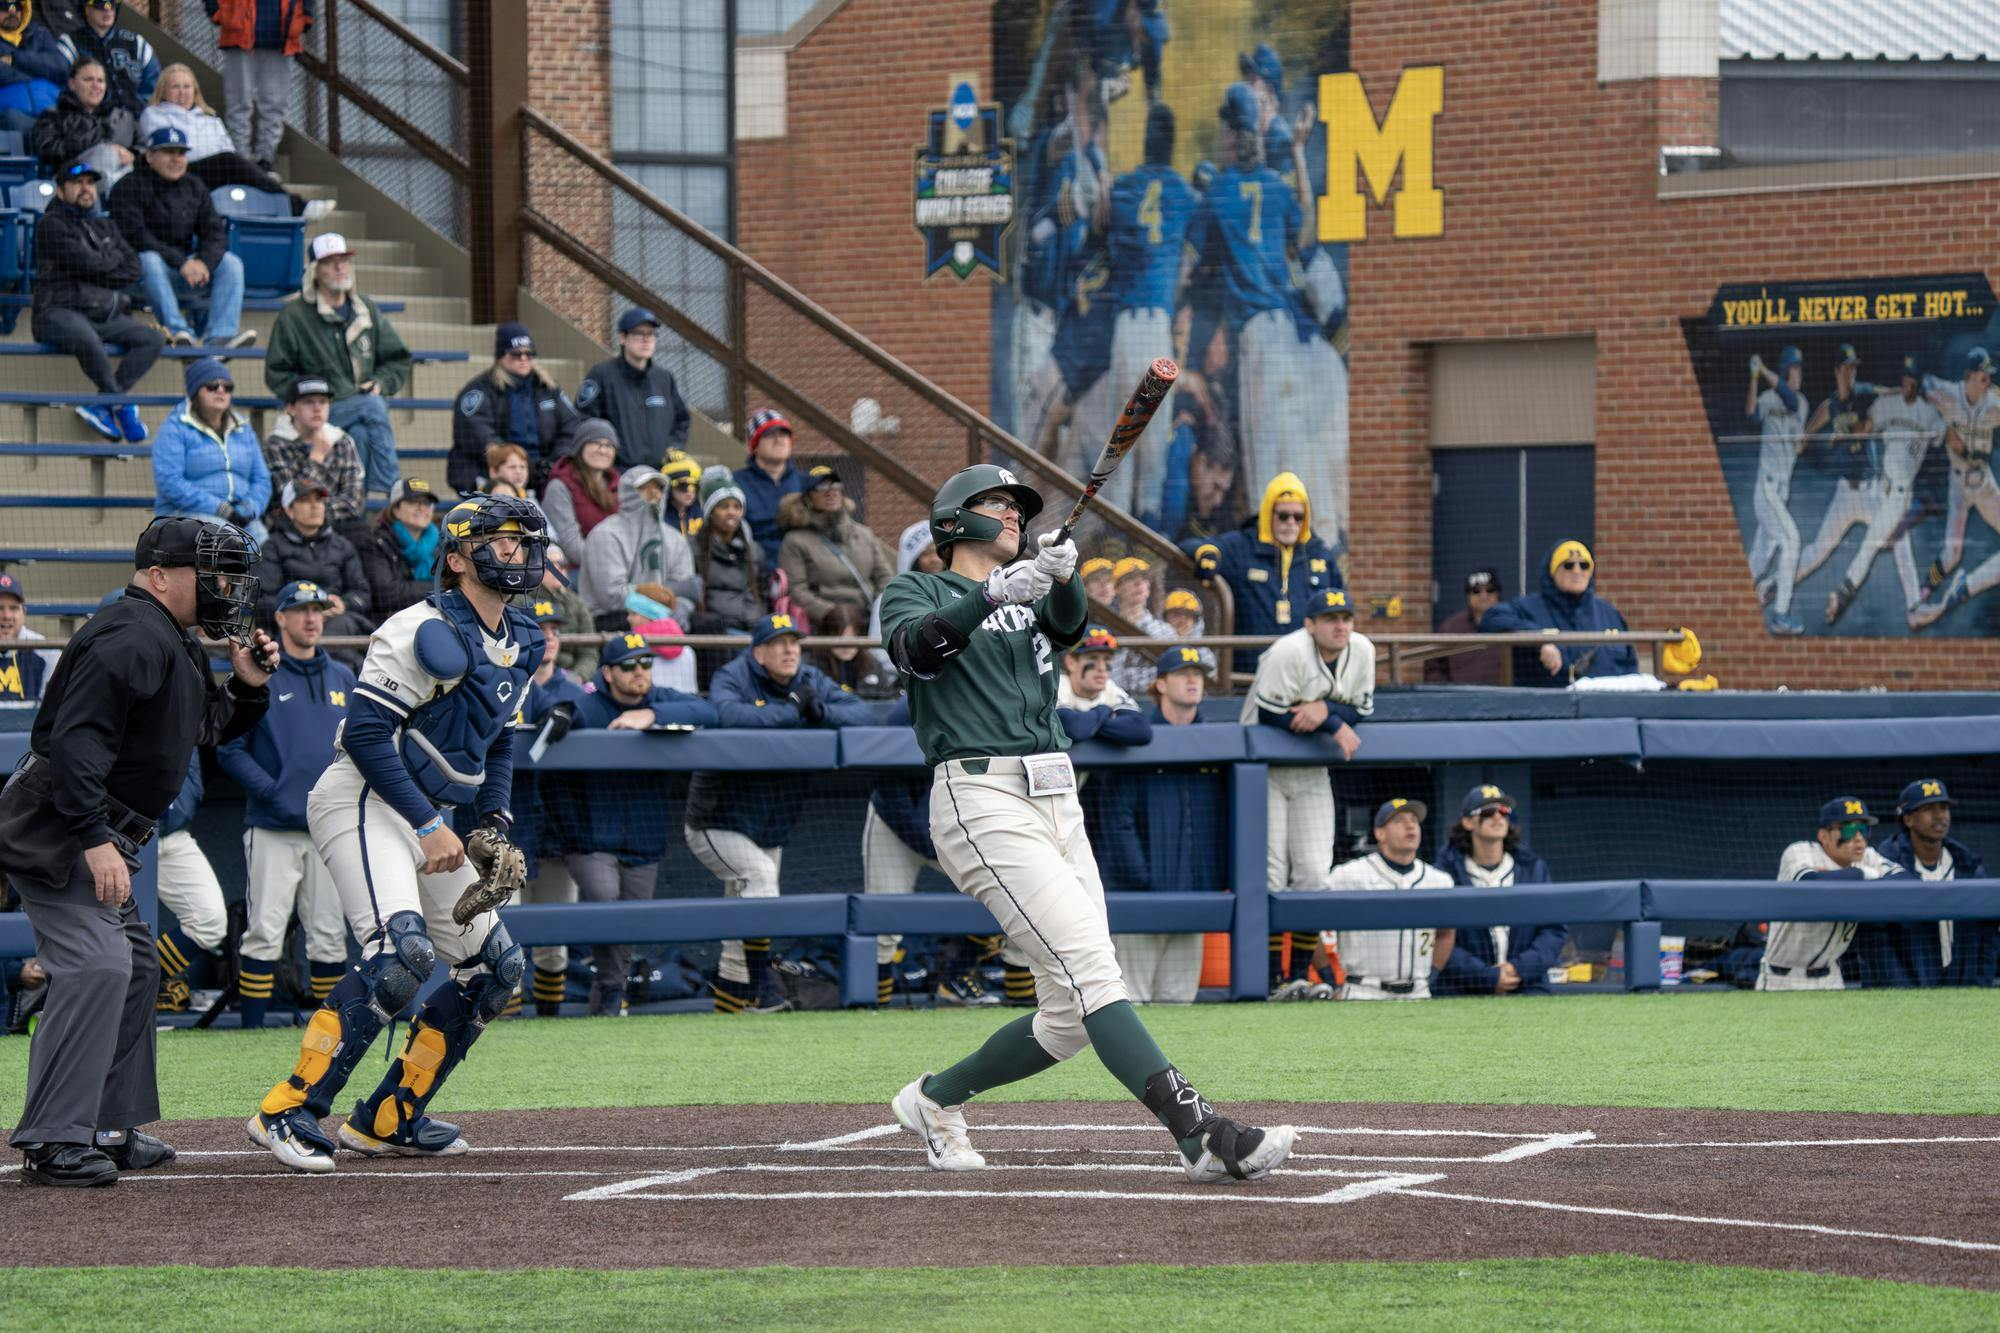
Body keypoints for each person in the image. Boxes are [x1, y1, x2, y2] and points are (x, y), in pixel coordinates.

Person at [877, 462, 1296, 1182]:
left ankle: (934, 1098)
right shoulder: (916, 589)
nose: (1013, 514)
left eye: (1017, 506)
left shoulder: (1031, 588)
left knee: (1070, 1014)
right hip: (981, 796)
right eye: (997, 504)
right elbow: (916, 652)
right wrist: (992, 593)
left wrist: (1063, 575)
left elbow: (1069, 628)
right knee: (1094, 970)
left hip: (1056, 795)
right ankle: (1198, 1131)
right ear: (955, 520)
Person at [247, 494, 548, 1174]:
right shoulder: (418, 628)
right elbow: (365, 735)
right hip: (363, 795)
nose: (517, 551)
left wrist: (494, 823)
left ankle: (388, 1117)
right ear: (457, 557)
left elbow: (498, 741)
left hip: (428, 812)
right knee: (399, 955)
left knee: (496, 967)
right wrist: (428, 824)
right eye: (500, 540)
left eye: (523, 540)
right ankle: (287, 1109)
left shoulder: (524, 638)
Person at [1, 516, 273, 1186]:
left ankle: (106, 1126)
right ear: (159, 575)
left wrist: (245, 685)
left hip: (97, 828)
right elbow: (76, 741)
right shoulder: (130, 633)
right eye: (210, 575)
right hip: (60, 827)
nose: (222, 589)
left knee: (136, 967)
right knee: (97, 965)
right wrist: (93, 837)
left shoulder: (170, 636)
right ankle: (53, 1137)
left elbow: (206, 727)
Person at [685, 612, 870, 1012]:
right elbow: (728, 715)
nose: (789, 650)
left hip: (770, 820)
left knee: (747, 909)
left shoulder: (809, 677)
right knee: (761, 880)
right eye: (778, 643)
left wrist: (820, 712)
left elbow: (862, 712)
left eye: (794, 642)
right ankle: (762, 988)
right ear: (758, 652)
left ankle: (731, 1000)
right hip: (717, 819)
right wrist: (792, 710)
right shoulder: (733, 675)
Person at [1188, 83, 1345, 531]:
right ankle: (1314, 538)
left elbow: (1190, 263)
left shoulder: (1220, 190)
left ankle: (1267, 549)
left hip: (1258, 336)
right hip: (1289, 338)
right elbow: (1305, 224)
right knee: (1296, 449)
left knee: (1263, 454)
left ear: (1231, 133)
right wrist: (1297, 153)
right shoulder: (1276, 186)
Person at [216, 579, 354, 1027]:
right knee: (263, 934)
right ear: (280, 617)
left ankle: (330, 1035)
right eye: (301, 610)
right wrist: (274, 793)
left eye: (317, 610)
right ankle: (251, 1032)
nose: (311, 619)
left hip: (329, 831)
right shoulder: (261, 675)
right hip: (272, 827)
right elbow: (229, 749)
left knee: (330, 936)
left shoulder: (344, 677)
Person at [565, 632, 718, 1016]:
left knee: (631, 922)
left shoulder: (660, 699)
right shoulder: (587, 706)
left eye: (646, 663)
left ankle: (610, 998)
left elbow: (709, 712)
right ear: (608, 673)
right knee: (605, 902)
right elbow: (560, 713)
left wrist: (650, 716)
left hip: (644, 836)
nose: (639, 671)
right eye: (629, 665)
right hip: (590, 835)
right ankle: (611, 989)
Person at [1240, 587, 1372, 997]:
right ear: (1310, 625)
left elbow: (1363, 709)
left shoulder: (1362, 649)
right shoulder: (1288, 650)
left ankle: (1297, 974)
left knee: (1314, 874)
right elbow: (1269, 713)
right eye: (1330, 619)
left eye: (1345, 618)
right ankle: (1267, 979)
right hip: (1264, 771)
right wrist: (1332, 721)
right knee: (1271, 874)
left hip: (1312, 770)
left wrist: (1324, 711)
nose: (1340, 626)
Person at [1095, 645, 1224, 1003]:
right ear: (1161, 685)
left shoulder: (1215, 743)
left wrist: (1210, 881)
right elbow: (1117, 821)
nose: (1193, 681)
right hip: (1139, 897)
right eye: (1183, 674)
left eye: (1198, 674)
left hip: (1195, 893)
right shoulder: (1137, 739)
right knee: (1130, 998)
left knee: (1179, 1000)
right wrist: (1140, 878)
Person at [265, 232, 414, 496]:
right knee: (373, 406)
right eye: (330, 262)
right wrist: (307, 397)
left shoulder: (365, 308)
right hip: (315, 411)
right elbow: (276, 372)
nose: (340, 267)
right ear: (315, 271)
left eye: (344, 260)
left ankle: (355, 507)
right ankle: (391, 490)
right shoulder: (294, 316)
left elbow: (398, 358)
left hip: (358, 408)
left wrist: (381, 382)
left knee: (360, 434)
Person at [33, 158, 159, 446]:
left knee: (151, 339)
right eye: (77, 183)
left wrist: (101, 264)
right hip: (56, 311)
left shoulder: (105, 225)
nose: (85, 188)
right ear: (60, 189)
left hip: (97, 311)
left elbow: (133, 268)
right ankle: (119, 403)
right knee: (87, 338)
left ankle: (104, 403)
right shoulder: (50, 225)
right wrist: (110, 261)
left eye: (90, 183)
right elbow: (86, 263)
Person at [511, 597, 588, 1015]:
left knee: (554, 943)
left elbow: (589, 716)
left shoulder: (571, 690)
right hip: (509, 824)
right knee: (502, 937)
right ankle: (502, 1019)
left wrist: (566, 712)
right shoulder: (506, 682)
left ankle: (549, 1020)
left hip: (558, 826)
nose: (550, 638)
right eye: (541, 631)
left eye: (555, 631)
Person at [110, 124, 253, 350]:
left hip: (181, 275)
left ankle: (220, 339)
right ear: (150, 156)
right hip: (135, 278)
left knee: (230, 263)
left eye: (181, 153)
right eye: (168, 152)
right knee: (149, 259)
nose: (176, 159)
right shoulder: (128, 186)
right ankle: (179, 334)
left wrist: (204, 262)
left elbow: (214, 233)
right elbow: (136, 236)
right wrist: (182, 262)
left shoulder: (194, 185)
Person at [1187, 470, 1343, 675]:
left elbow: (1341, 607)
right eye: (1283, 516)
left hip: (1307, 673)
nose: (1291, 523)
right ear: (1269, 514)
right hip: (1251, 674)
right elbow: (1189, 545)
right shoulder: (1242, 546)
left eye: (1298, 517)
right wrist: (1207, 554)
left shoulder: (1319, 553)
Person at [1855, 779, 1994, 989]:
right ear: (1908, 819)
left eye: (1944, 808)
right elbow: (1873, 939)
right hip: (1900, 991)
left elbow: (1989, 930)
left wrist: (1979, 984)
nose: (1940, 816)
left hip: (1962, 987)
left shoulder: (1967, 864)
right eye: (1929, 809)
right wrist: (1902, 989)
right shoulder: (1885, 864)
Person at [1431, 785, 1567, 997]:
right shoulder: (1444, 874)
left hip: (1527, 986)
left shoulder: (1532, 868)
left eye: (1503, 811)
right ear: (1467, 822)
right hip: (1462, 989)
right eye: (1487, 811)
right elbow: (1436, 937)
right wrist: (1487, 977)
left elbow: (1554, 930)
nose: (1497, 816)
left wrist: (1518, 969)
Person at [142, 62, 329, 213]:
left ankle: (283, 206)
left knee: (237, 167)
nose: (183, 92)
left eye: (187, 86)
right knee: (230, 162)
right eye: (175, 87)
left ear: (195, 90)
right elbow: (163, 149)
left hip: (216, 172)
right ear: (163, 91)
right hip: (179, 171)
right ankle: (297, 205)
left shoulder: (210, 119)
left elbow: (228, 149)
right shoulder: (154, 114)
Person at [1761, 796, 1904, 992]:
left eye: (1864, 829)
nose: (1859, 838)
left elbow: (1908, 882)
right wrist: (1862, 874)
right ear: (1824, 836)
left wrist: (1847, 876)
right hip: (1782, 977)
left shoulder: (1867, 856)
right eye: (1849, 830)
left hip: (1831, 977)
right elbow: (1810, 883)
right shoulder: (1800, 851)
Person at [1322, 799, 1456, 1000]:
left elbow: (1446, 933)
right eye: (1399, 820)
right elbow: (1313, 926)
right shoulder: (1348, 876)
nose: (1410, 826)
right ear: (1380, 833)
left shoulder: (1439, 880)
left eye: (1414, 820)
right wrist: (1330, 981)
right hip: (1363, 991)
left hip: (1419, 993)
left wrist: (1431, 976)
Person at [1910, 348, 2000, 628]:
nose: (1987, 382)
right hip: (1958, 486)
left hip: (1984, 486)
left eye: (1989, 377)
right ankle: (1922, 594)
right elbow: (1923, 382)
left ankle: (1965, 587)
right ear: (1969, 376)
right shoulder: (1950, 393)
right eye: (1983, 377)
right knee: (1951, 556)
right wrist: (1943, 428)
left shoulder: (1994, 403)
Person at [446, 323, 584, 495]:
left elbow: (571, 426)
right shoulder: (480, 390)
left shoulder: (548, 387)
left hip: (544, 471)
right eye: (516, 354)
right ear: (501, 356)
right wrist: (517, 463)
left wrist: (556, 460)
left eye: (529, 353)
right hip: (495, 473)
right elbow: (477, 434)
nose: (524, 358)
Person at [1478, 539, 1637, 686]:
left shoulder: (1608, 612)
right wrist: (1540, 639)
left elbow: (1630, 667)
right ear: (1552, 571)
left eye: (1584, 565)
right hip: (1548, 704)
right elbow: (1491, 618)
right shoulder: (1528, 607)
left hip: (1608, 704)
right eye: (1568, 565)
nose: (1577, 571)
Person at [152, 356, 271, 541]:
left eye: (227, 387)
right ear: (195, 391)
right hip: (184, 515)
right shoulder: (174, 427)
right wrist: (221, 509)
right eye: (212, 386)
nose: (221, 390)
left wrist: (248, 509)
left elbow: (262, 479)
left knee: (262, 541)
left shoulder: (243, 428)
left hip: (238, 516)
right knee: (227, 538)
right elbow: (170, 481)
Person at [150, 754, 226, 1013]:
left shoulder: (180, 718)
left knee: (210, 921)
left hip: (172, 834)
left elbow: (189, 756)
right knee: (105, 927)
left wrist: (189, 796)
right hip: (117, 836)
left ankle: (135, 985)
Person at [579, 464, 699, 627]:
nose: (654, 493)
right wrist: (670, 593)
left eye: (659, 488)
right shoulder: (605, 535)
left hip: (664, 615)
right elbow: (612, 596)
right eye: (645, 488)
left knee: (708, 624)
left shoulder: (676, 538)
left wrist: (681, 608)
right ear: (628, 493)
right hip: (613, 618)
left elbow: (687, 593)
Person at [1743, 346, 1810, 635]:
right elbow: (1751, 414)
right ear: (1785, 371)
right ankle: (1781, 614)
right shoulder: (1769, 397)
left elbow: (1790, 401)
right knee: (1792, 541)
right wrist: (1754, 377)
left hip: (1781, 493)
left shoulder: (1801, 403)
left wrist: (1763, 370)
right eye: (1794, 369)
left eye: (1800, 369)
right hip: (1767, 489)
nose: (1799, 374)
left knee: (1760, 557)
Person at [252, 478, 371, 640]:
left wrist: (344, 604)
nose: (314, 506)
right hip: (293, 632)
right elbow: (262, 602)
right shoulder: (272, 547)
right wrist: (309, 608)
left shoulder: (343, 546)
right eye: (305, 500)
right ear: (289, 510)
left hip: (340, 623)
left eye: (319, 500)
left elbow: (362, 594)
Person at [778, 465, 897, 623]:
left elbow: (885, 577)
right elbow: (796, 590)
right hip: (824, 623)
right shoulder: (795, 541)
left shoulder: (864, 534)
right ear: (807, 497)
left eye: (836, 485)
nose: (831, 492)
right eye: (821, 486)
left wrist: (878, 609)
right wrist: (832, 614)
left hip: (869, 616)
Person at [576, 306, 690, 470]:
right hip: (618, 473)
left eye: (651, 334)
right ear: (622, 338)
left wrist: (673, 447)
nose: (646, 339)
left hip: (659, 472)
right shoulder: (602, 375)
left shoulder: (664, 378)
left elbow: (682, 419)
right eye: (639, 333)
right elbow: (585, 419)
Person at [206, 0, 311, 171]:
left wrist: (305, 16)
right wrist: (217, 11)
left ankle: (265, 159)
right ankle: (240, 158)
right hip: (240, 33)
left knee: (273, 105)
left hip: (280, 36)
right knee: (239, 103)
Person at [262, 375, 364, 529]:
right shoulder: (275, 445)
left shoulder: (342, 441)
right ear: (291, 408)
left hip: (337, 525)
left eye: (323, 402)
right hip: (290, 530)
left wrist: (316, 513)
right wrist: (316, 459)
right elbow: (289, 500)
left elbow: (354, 502)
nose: (317, 408)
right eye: (308, 402)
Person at [31, 55, 135, 182]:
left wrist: (132, 156)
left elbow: (145, 152)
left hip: (117, 175)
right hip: (71, 174)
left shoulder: (121, 117)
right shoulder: (53, 115)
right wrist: (95, 141)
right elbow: (47, 152)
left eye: (100, 81)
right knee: (106, 153)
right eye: (88, 79)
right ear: (72, 84)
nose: (95, 85)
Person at [354, 476, 439, 620]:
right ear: (395, 509)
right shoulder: (375, 542)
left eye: (426, 503)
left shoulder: (443, 542)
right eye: (413, 502)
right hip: (389, 621)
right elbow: (385, 595)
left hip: (434, 618)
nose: (421, 508)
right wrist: (438, 587)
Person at [540, 417, 620, 563]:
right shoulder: (559, 487)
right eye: (595, 443)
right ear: (580, 447)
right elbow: (571, 545)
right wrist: (608, 565)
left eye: (609, 445)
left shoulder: (619, 485)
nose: (603, 450)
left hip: (618, 565)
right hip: (579, 569)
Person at [1059, 625, 1153, 747]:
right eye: (1093, 658)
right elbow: (1073, 728)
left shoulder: (1110, 688)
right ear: (1071, 662)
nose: (1102, 668)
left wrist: (1088, 722)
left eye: (1107, 659)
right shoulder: (1057, 686)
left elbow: (1142, 731)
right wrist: (1103, 710)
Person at [57, 0, 154, 119]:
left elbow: (153, 84)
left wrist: (142, 112)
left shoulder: (136, 43)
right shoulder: (71, 42)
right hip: (88, 119)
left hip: (137, 119)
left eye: (112, 4)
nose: (107, 10)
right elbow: (63, 83)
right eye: (99, 4)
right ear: (86, 8)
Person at [738, 407, 808, 569]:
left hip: (802, 569)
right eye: (769, 434)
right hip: (755, 569)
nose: (779, 440)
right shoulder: (738, 483)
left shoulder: (805, 482)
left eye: (783, 434)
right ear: (755, 445)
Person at [0, 0, 70, 139]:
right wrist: (40, 72)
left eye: (18, 6)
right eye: (4, 6)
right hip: (10, 115)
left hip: (52, 110)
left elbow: (61, 68)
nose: (12, 11)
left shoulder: (39, 33)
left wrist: (15, 59)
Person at [1424, 568, 1507, 686]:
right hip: (1461, 696)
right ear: (1468, 595)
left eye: (1490, 590)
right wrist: (1447, 692)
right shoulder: (1450, 628)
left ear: (1497, 593)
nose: (1484, 595)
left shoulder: (1512, 625)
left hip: (1504, 695)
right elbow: (1433, 667)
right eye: (1476, 591)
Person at [810, 600, 898, 700]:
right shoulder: (813, 666)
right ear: (827, 635)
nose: (846, 645)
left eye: (852, 638)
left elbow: (887, 702)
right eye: (839, 638)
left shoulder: (872, 664)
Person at [0, 570, 53, 704]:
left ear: (23, 613)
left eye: (13, 608)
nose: (6, 616)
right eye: (0, 608)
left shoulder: (46, 652)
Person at [662, 450, 702, 539]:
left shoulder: (700, 514)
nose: (690, 492)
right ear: (669, 488)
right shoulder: (660, 518)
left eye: (695, 486)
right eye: (683, 486)